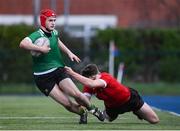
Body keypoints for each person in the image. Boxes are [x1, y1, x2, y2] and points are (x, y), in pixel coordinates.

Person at [19, 9, 104, 124]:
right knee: (67, 104)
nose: (53, 23)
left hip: (59, 70)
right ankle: (82, 112)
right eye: (50, 20)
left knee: (77, 94)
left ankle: (93, 109)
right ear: (43, 21)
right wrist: (40, 49)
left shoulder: (54, 32)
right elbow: (23, 44)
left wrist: (69, 53)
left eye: (54, 20)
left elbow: (57, 40)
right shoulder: (37, 35)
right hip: (43, 78)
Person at [65, 64, 160, 124]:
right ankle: (106, 112)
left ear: (93, 76)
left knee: (154, 120)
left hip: (130, 100)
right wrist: (80, 104)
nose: (98, 76)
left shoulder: (105, 77)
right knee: (108, 119)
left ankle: (137, 112)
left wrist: (72, 73)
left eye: (96, 76)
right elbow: (85, 99)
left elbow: (92, 83)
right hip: (112, 108)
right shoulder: (88, 84)